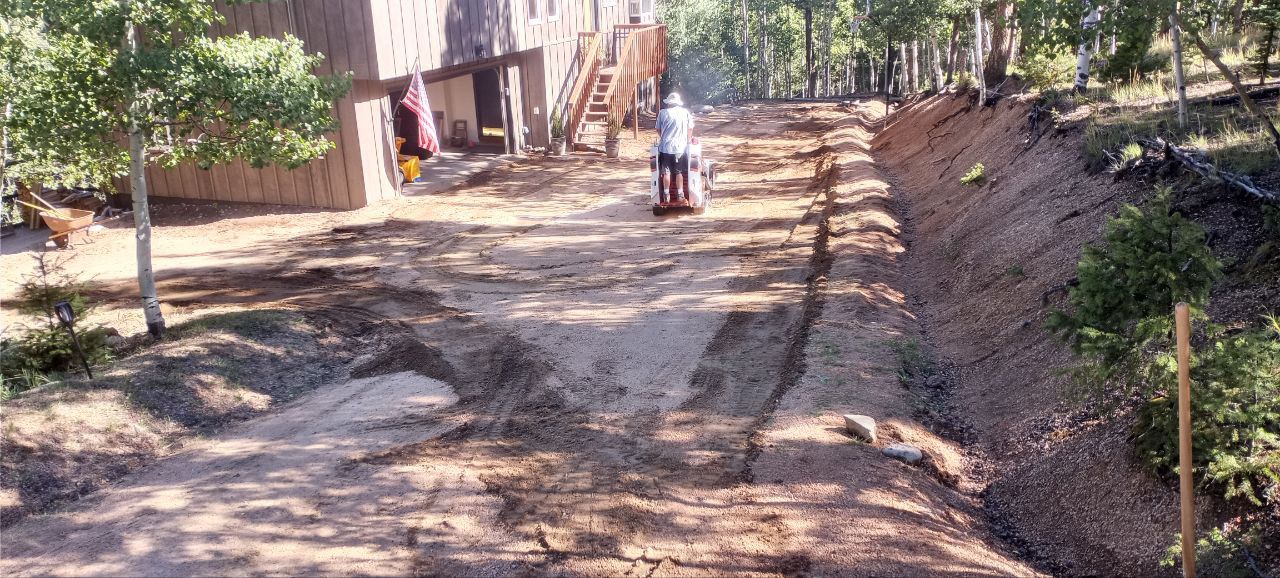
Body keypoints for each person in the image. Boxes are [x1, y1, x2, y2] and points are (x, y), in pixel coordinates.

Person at [656, 92, 694, 203]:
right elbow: (690, 129)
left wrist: (664, 138)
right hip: (680, 148)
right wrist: (688, 139)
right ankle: (680, 195)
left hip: (665, 147)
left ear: (669, 103)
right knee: (678, 172)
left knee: (666, 172)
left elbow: (658, 129)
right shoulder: (685, 113)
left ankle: (666, 195)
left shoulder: (662, 113)